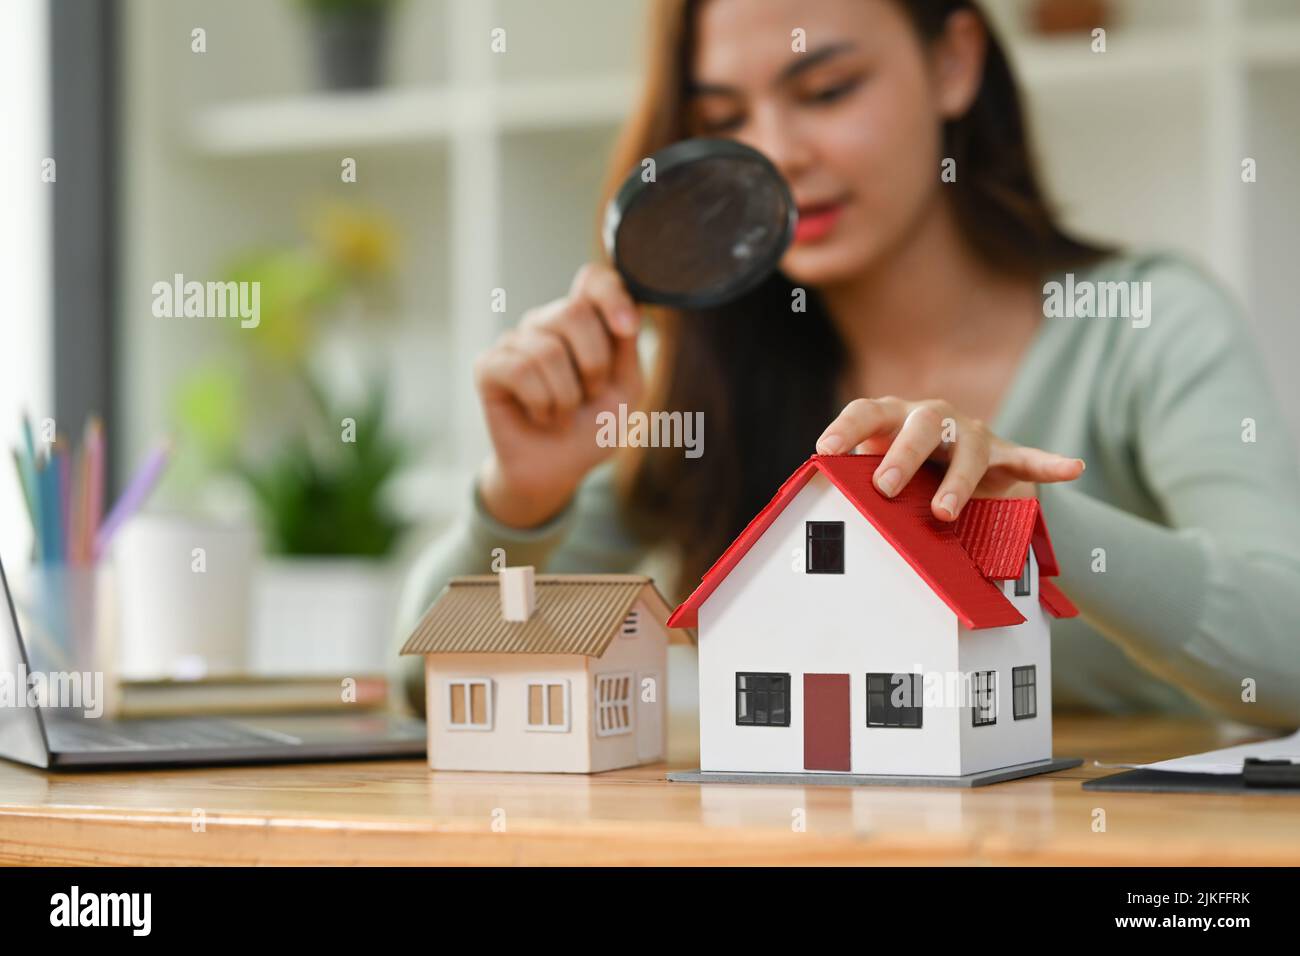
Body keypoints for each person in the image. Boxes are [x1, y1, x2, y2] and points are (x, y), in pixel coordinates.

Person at [395, 0, 1300, 729]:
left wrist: (1031, 523)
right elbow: (432, 684)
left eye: (826, 90)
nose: (779, 153)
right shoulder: (699, 374)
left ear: (954, 62)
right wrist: (521, 501)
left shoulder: (1144, 325)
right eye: (725, 118)